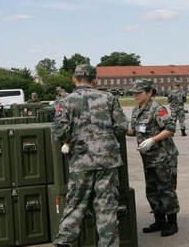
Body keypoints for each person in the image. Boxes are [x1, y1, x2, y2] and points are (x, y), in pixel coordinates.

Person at [51, 64, 128, 247]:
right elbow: (121, 127)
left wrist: (68, 141)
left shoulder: (66, 101)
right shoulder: (109, 98)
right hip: (107, 162)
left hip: (81, 161)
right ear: (95, 80)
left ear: (74, 79)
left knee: (75, 206)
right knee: (107, 208)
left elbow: (59, 130)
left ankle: (64, 242)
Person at [127, 79, 180, 237]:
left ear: (149, 93)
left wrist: (153, 140)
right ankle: (159, 221)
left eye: (139, 92)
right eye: (134, 93)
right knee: (151, 190)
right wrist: (120, 128)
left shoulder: (157, 109)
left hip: (163, 157)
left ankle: (172, 223)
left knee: (166, 190)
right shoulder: (137, 110)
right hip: (148, 158)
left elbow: (170, 129)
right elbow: (135, 131)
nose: (135, 95)